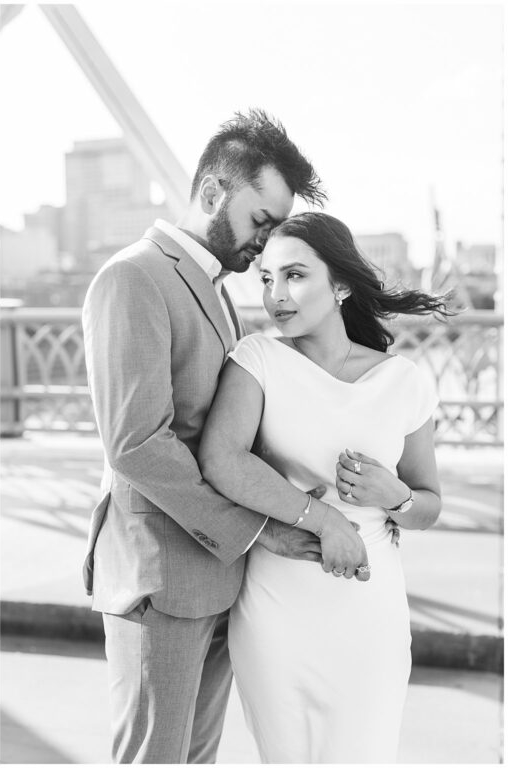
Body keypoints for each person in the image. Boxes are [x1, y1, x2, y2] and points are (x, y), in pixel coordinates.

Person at [81, 109, 357, 763]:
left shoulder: (215, 289)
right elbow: (137, 443)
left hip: (211, 574)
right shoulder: (134, 277)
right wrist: (260, 527)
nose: (266, 245)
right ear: (211, 193)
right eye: (260, 221)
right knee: (155, 757)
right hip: (160, 578)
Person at [198, 211, 448, 762]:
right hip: (275, 609)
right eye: (266, 278)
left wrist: (394, 496)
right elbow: (220, 459)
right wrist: (323, 519)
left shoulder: (403, 381)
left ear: (339, 284)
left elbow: (428, 506)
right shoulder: (257, 359)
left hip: (369, 611)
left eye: (295, 275)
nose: (276, 295)